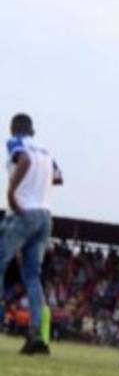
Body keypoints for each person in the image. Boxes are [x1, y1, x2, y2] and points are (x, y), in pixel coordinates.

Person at [1, 113, 62, 355]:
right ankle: (36, 335)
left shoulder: (17, 142)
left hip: (23, 212)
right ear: (32, 130)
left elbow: (24, 160)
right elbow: (58, 178)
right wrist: (38, 187)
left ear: (14, 128)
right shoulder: (46, 151)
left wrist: (12, 192)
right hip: (45, 215)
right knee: (32, 276)